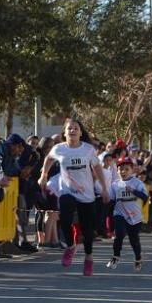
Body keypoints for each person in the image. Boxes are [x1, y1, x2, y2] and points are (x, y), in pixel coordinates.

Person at [37, 117, 109, 276]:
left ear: (80, 132)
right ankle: (70, 246)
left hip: (86, 193)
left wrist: (104, 188)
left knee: (87, 230)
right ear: (65, 132)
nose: (73, 130)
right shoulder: (59, 148)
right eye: (70, 128)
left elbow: (97, 168)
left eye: (76, 128)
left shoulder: (88, 149)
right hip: (67, 191)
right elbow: (48, 159)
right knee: (65, 220)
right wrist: (44, 175)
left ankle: (89, 257)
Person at [107, 157, 147, 272]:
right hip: (120, 213)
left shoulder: (137, 183)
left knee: (134, 240)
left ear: (132, 170)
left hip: (134, 216)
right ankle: (115, 257)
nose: (123, 172)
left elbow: (145, 197)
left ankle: (138, 259)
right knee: (119, 234)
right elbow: (112, 201)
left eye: (126, 169)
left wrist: (133, 191)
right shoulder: (115, 185)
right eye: (120, 169)